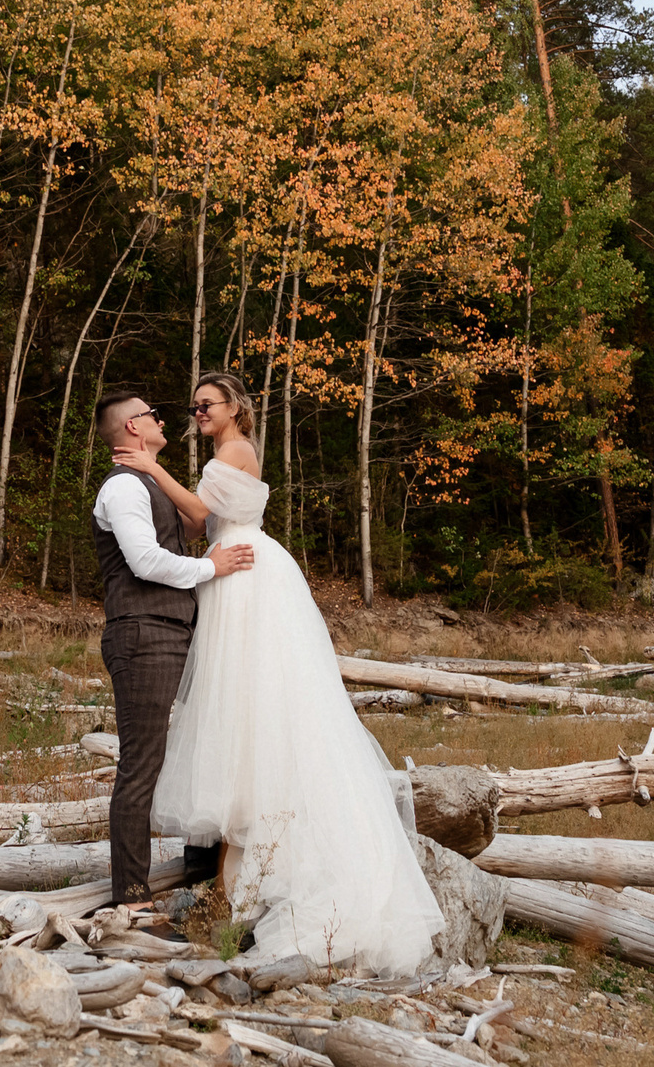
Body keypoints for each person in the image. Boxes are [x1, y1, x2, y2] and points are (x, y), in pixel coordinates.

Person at [127, 370, 446, 974]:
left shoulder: (238, 448)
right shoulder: (223, 452)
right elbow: (197, 524)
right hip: (229, 571)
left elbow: (197, 508)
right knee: (239, 703)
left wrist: (148, 466)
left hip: (250, 578)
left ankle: (261, 859)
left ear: (234, 408)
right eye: (192, 403)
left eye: (207, 403)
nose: (197, 410)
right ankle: (237, 860)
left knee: (260, 695)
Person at [89, 388, 252, 909]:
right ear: (133, 427)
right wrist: (211, 568)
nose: (162, 419)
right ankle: (132, 899)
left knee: (204, 743)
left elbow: (197, 518)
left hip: (176, 630)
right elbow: (145, 562)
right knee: (142, 764)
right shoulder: (121, 489)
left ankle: (201, 871)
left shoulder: (147, 484)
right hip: (143, 634)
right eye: (152, 413)